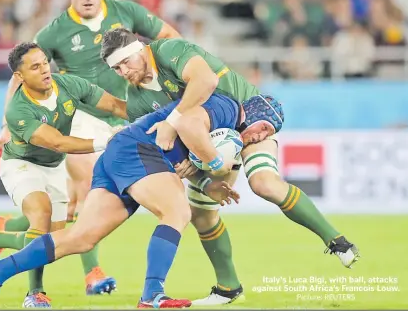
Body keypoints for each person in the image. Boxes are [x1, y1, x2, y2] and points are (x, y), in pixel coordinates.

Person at [0, 92, 284, 309]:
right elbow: (188, 127)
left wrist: (205, 182)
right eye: (264, 130)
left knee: (81, 238)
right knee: (177, 211)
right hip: (138, 151)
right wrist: (215, 166)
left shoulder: (223, 125)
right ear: (255, 114)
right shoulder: (229, 108)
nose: (259, 138)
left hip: (123, 153)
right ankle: (152, 295)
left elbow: (180, 158)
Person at [101, 28, 361, 273]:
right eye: (116, 68)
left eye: (126, 61)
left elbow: (206, 80)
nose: (123, 71)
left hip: (245, 119)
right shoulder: (136, 101)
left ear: (141, 49)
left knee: (264, 184)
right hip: (210, 145)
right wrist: (199, 177)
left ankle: (337, 241)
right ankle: (228, 288)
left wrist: (172, 122)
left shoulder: (170, 50)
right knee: (201, 214)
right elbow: (169, 147)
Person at [0, 0, 181, 295]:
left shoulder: (126, 11)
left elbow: (169, 36)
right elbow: (19, 76)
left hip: (126, 113)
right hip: (80, 115)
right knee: (85, 186)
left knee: (70, 209)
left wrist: (171, 69)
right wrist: (6, 124)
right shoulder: (53, 32)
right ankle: (92, 272)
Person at [0, 42, 126, 308]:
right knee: (41, 217)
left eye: (45, 62)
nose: (45, 69)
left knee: (53, 241)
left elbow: (113, 105)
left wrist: (150, 113)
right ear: (20, 77)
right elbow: (58, 142)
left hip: (53, 167)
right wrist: (104, 140)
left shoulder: (68, 84)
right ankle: (35, 293)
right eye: (35, 67)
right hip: (21, 165)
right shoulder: (19, 110)